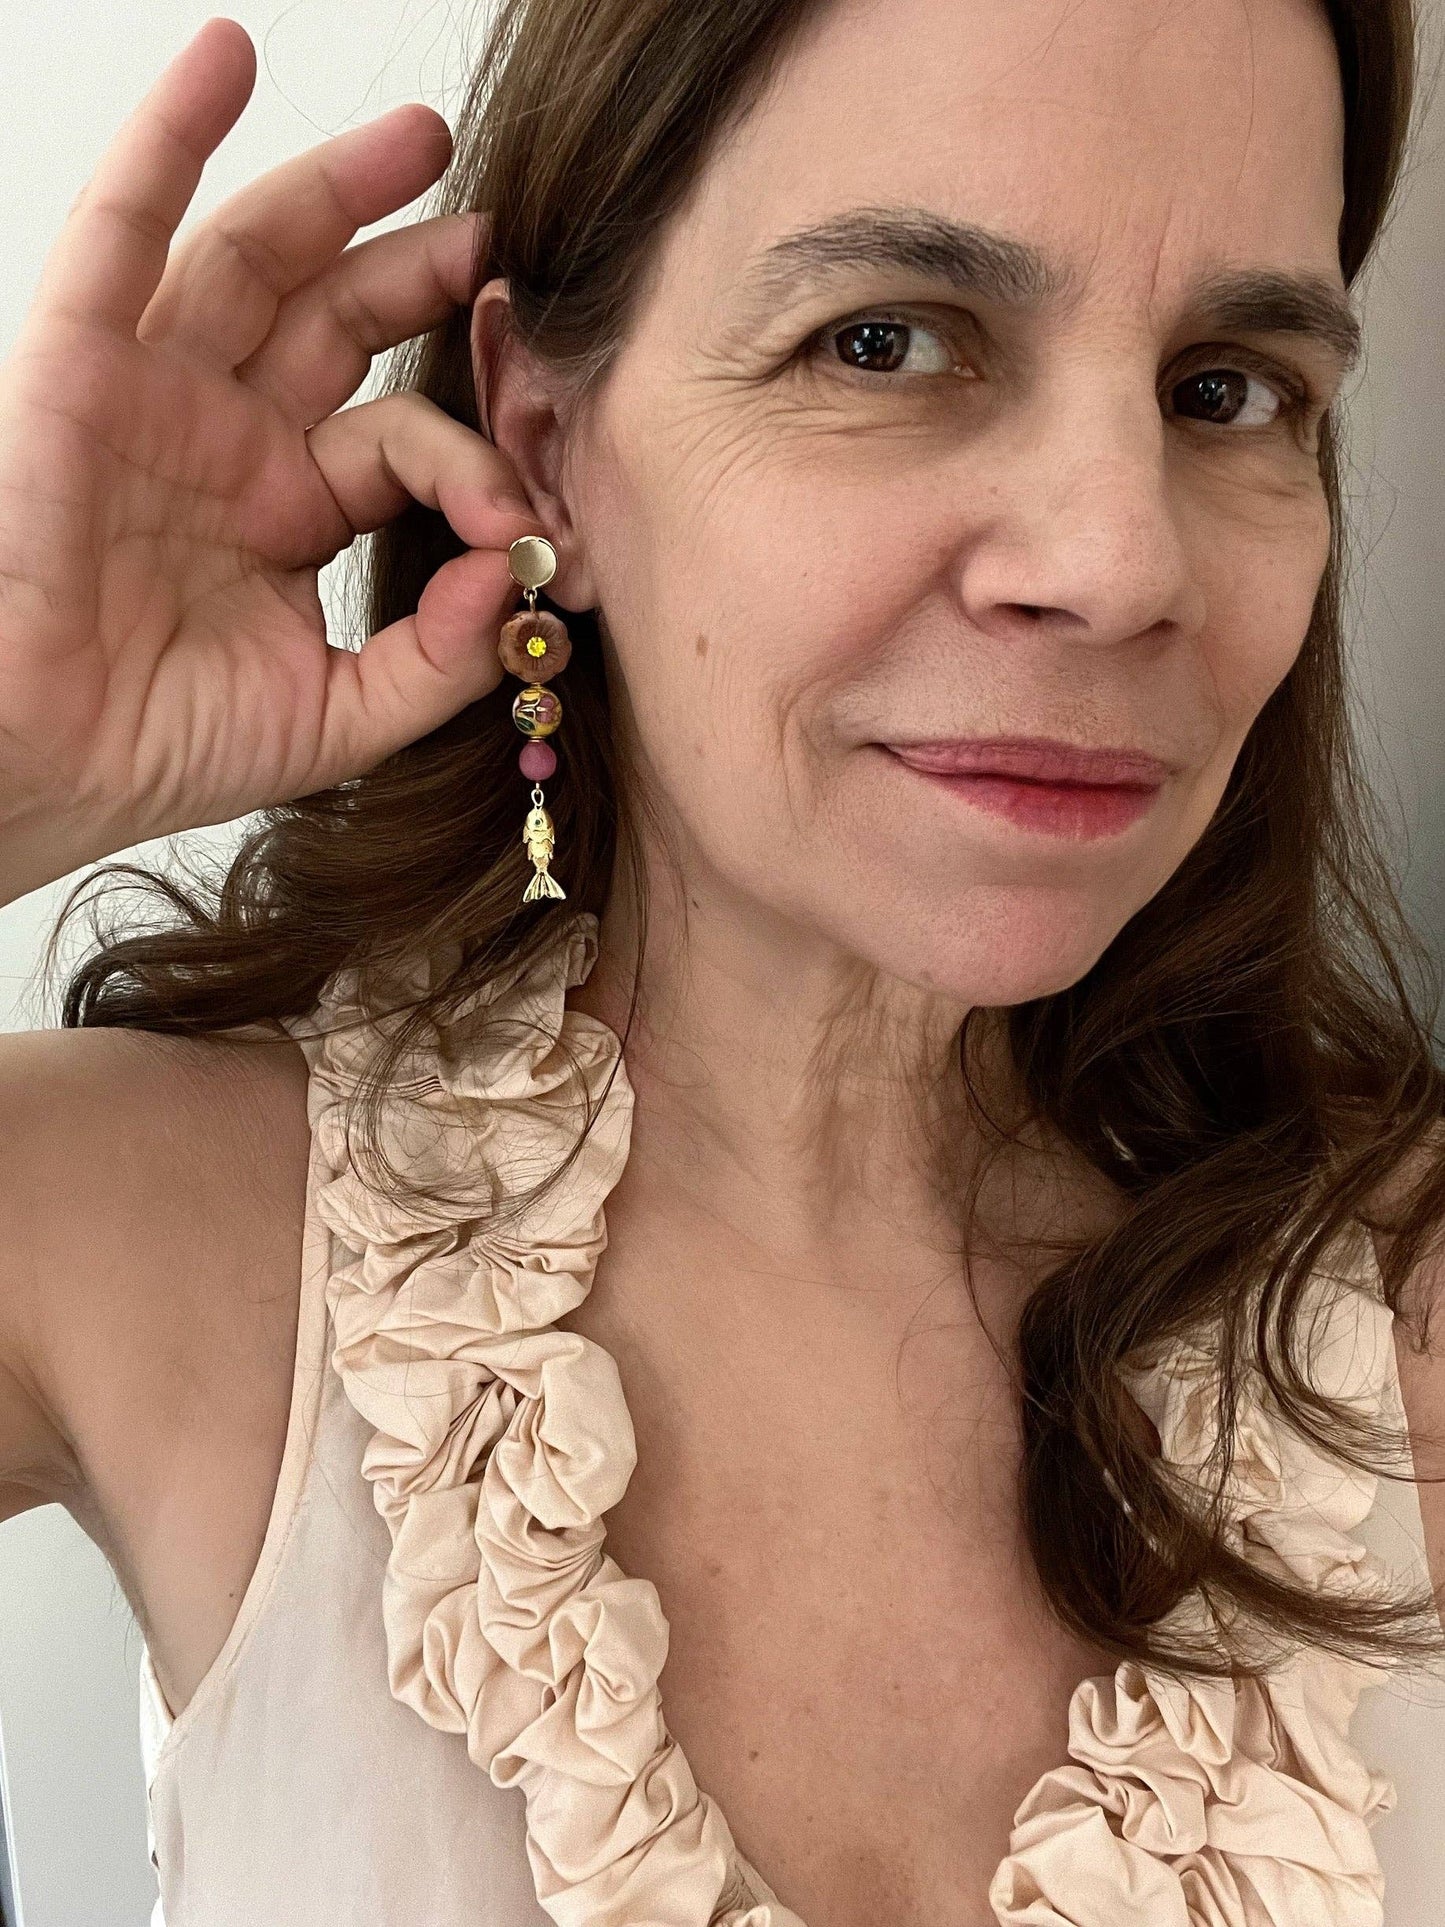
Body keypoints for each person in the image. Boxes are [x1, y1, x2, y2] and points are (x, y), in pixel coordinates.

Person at [0, 1, 1441, 1922]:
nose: (1119, 565)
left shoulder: (1405, 1296)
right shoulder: (130, 1224)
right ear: (546, 452)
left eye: (1226, 388)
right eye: (885, 341)